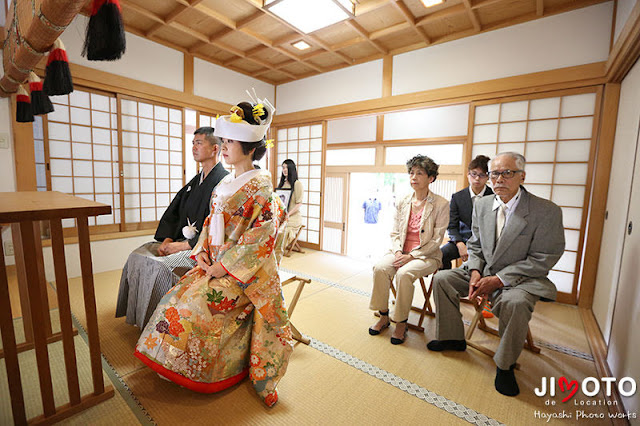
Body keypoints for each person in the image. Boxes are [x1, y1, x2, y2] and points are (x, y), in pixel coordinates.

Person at [134, 95, 293, 407]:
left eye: (230, 142)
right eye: (225, 140)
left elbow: (261, 238)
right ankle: (176, 364)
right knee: (175, 297)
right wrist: (203, 252)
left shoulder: (262, 188)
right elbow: (209, 224)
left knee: (200, 306)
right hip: (213, 263)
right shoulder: (224, 185)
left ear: (250, 147)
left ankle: (211, 370)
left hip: (245, 272)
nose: (224, 146)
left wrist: (225, 266)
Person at [427, 152, 565, 397]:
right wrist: (475, 271)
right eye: (494, 174)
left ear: (522, 176)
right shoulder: (482, 205)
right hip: (483, 269)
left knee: (516, 303)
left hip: (520, 278)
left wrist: (499, 280)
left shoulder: (546, 211)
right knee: (442, 279)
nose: (499, 179)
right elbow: (475, 244)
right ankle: (452, 338)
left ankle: (505, 364)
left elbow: (544, 257)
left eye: (507, 173)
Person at [116, 128, 229, 328]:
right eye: (193, 143)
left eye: (199, 143)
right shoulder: (195, 182)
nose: (194, 147)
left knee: (160, 267)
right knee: (137, 256)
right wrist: (168, 239)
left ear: (215, 149)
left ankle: (159, 325)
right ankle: (136, 315)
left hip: (202, 250)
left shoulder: (224, 182)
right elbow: (175, 212)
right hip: (179, 241)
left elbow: (219, 225)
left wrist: (185, 245)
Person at [369, 155, 449, 344]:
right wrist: (398, 252)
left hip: (427, 256)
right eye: (411, 173)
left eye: (419, 173)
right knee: (380, 268)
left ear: (431, 178)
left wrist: (412, 255)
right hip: (400, 252)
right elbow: (395, 232)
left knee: (404, 274)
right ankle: (383, 316)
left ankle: (401, 323)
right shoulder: (403, 201)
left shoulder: (441, 204)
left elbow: (436, 240)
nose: (414, 177)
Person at [440, 155, 493, 269]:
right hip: (463, 240)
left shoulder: (493, 197)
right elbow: (451, 225)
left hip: (485, 244)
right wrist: (459, 243)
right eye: (474, 174)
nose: (477, 178)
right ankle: (446, 279)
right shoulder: (457, 197)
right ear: (468, 174)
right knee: (441, 255)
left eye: (482, 175)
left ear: (488, 177)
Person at [277, 159, 304, 248]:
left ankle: (277, 251)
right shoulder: (282, 184)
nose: (284, 170)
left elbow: (299, 203)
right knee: (271, 230)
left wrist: (288, 214)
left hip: (293, 217)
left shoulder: (297, 184)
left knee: (282, 232)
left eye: (287, 168)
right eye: (283, 167)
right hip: (282, 216)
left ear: (291, 169)